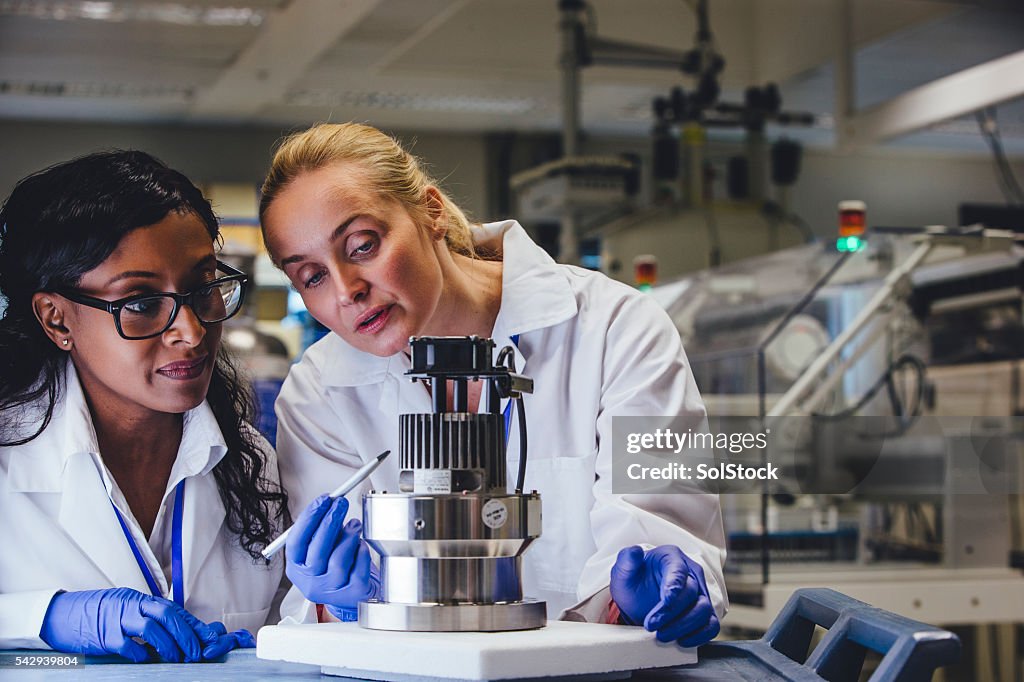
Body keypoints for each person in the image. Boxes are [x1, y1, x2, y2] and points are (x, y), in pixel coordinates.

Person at [260, 123, 726, 646]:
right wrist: (341, 603)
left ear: (430, 212)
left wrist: (650, 594)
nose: (347, 291)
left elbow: (657, 528)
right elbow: (320, 605)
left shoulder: (613, 327)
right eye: (311, 277)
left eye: (363, 245)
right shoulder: (320, 390)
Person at [0, 151, 289, 662]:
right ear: (57, 320)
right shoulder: (8, 455)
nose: (192, 331)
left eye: (203, 288)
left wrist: (323, 613)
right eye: (139, 302)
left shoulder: (251, 461)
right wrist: (42, 617)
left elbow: (292, 622)